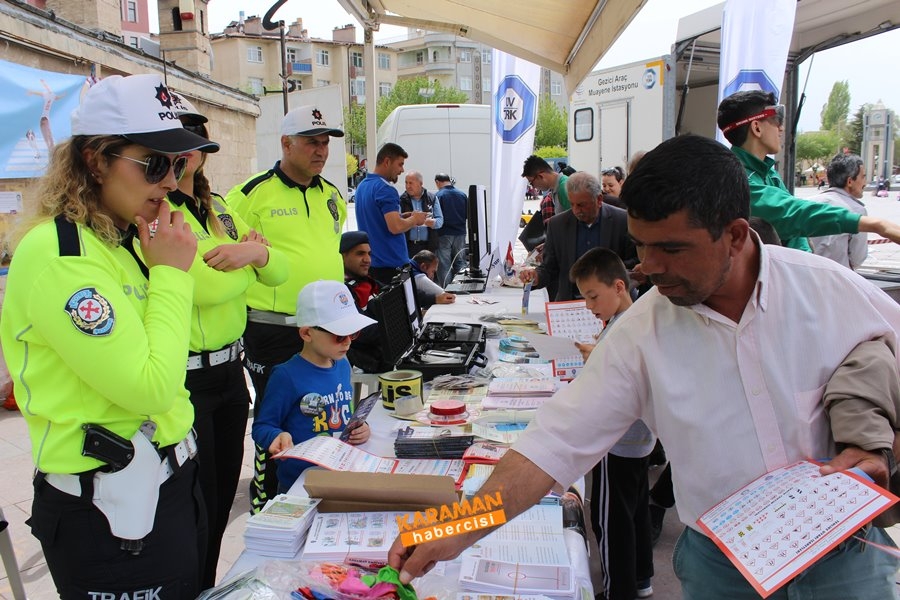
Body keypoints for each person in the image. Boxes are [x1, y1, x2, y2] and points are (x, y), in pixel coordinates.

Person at [389, 135, 900, 599]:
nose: (648, 267)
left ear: (735, 235)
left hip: (846, 559)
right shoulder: (640, 332)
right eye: (641, 245)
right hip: (724, 570)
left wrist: (879, 447)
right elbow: (552, 445)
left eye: (671, 248)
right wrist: (450, 526)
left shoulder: (829, 291)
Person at [0, 73, 213, 598]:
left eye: (179, 164)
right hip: (108, 509)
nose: (171, 182)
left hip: (168, 482)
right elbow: (149, 387)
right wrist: (171, 275)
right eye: (154, 164)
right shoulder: (61, 255)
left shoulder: (120, 241)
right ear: (95, 161)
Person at [167, 98, 288, 588]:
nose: (186, 156)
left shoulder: (217, 208)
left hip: (230, 373)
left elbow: (280, 271)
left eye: (194, 146)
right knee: (196, 501)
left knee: (219, 503)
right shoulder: (159, 212)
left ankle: (209, 587)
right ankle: (195, 586)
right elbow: (203, 286)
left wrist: (253, 256)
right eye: (175, 147)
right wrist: (252, 258)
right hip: (187, 377)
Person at [227, 104, 346, 513]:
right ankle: (268, 504)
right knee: (275, 423)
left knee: (321, 417)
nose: (321, 150)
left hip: (325, 327)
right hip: (274, 328)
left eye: (325, 142)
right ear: (286, 143)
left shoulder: (332, 195)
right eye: (311, 142)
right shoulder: (250, 194)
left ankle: (318, 497)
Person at [569, 248, 655, 600]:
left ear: (619, 286)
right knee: (634, 511)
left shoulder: (621, 330)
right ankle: (641, 579)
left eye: (593, 296)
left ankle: (617, 590)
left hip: (616, 442)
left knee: (609, 521)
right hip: (639, 441)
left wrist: (596, 361)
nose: (589, 306)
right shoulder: (634, 320)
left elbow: (616, 381)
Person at [717, 90, 900, 250]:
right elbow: (793, 213)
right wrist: (876, 225)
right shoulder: (737, 178)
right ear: (756, 128)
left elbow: (796, 229)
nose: (781, 128)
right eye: (776, 120)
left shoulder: (768, 172)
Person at [252, 280, 374, 492]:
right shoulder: (286, 375)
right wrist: (276, 436)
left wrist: (361, 428)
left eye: (353, 333)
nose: (348, 342)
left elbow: (345, 412)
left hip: (340, 473)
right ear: (307, 333)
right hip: (299, 483)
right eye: (339, 335)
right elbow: (262, 426)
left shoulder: (343, 364)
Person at [518, 172, 636, 301]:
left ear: (598, 200)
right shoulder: (557, 225)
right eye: (572, 204)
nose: (576, 210)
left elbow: (634, 262)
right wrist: (536, 276)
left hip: (613, 302)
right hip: (570, 303)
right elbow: (549, 267)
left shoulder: (623, 220)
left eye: (581, 205)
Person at [355, 143, 430, 283]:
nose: (402, 170)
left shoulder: (362, 186)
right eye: (400, 164)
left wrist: (402, 216)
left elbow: (376, 219)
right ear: (387, 162)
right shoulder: (385, 189)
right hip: (391, 266)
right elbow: (395, 227)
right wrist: (415, 219)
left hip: (373, 264)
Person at [808, 153, 868, 270]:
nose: (865, 183)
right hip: (837, 277)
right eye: (863, 177)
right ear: (850, 181)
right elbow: (857, 259)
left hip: (805, 275)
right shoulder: (856, 211)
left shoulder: (807, 203)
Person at [340, 230, 386, 373]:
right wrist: (398, 330)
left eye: (369, 254)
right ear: (342, 257)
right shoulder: (341, 291)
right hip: (372, 357)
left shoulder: (367, 282)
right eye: (360, 254)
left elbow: (395, 293)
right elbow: (361, 331)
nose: (367, 259)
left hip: (386, 348)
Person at [434, 173, 468, 286]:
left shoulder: (438, 196)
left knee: (444, 265)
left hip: (443, 234)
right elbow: (467, 215)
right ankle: (462, 286)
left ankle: (447, 289)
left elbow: (436, 217)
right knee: (460, 262)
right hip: (460, 234)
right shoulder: (462, 195)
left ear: (437, 182)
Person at [400, 171, 443, 257]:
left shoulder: (432, 198)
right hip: (408, 247)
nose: (408, 186)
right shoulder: (401, 200)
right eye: (406, 183)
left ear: (420, 183)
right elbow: (397, 221)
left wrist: (432, 222)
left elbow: (440, 220)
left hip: (428, 247)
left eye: (411, 183)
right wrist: (410, 222)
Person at [522, 155, 570, 222]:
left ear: (540, 176)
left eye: (531, 183)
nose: (533, 187)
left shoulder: (564, 188)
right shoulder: (555, 189)